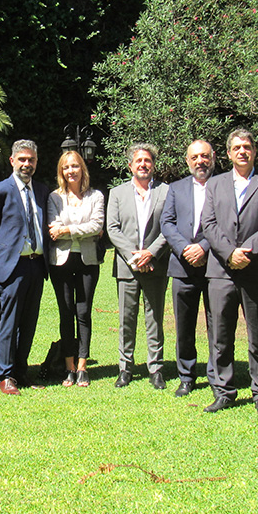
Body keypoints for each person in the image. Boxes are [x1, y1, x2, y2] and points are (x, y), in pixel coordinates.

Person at [201, 128, 258, 415]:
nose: (242, 151)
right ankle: (224, 391)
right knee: (220, 333)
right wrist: (228, 253)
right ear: (228, 153)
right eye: (236, 147)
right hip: (221, 271)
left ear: (254, 151)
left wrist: (245, 251)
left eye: (247, 146)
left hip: (256, 269)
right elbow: (208, 224)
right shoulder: (215, 185)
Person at [0, 139, 51, 394]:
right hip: (12, 268)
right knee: (9, 322)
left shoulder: (42, 191)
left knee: (29, 322)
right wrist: (1, 257)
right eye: (22, 159)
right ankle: (5, 374)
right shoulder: (0, 190)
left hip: (36, 266)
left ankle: (21, 371)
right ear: (12, 161)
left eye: (31, 160)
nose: (26, 164)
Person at [106, 143, 171, 389]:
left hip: (156, 265)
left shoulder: (166, 192)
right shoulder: (118, 193)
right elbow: (112, 229)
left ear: (154, 165)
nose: (143, 164)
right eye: (139, 161)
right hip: (127, 266)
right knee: (127, 318)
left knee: (155, 317)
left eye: (148, 161)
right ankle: (125, 367)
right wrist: (134, 257)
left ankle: (156, 368)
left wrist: (150, 253)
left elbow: (169, 227)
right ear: (130, 165)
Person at [160, 139, 216, 397]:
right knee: (184, 326)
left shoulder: (223, 185)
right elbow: (167, 223)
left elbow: (226, 224)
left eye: (204, 156)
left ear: (213, 157)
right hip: (182, 267)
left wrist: (203, 247)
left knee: (217, 324)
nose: (200, 161)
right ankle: (186, 375)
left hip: (215, 266)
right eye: (194, 157)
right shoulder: (176, 188)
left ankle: (217, 375)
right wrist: (186, 249)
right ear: (187, 160)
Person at [47, 150, 105, 387]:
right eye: (66, 167)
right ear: (61, 172)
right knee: (66, 312)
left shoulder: (96, 196)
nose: (71, 171)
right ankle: (68, 366)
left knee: (84, 312)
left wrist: (68, 230)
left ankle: (82, 365)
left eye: (75, 166)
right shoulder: (54, 198)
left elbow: (98, 225)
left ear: (83, 169)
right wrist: (82, 228)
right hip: (61, 261)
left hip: (88, 261)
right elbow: (53, 226)